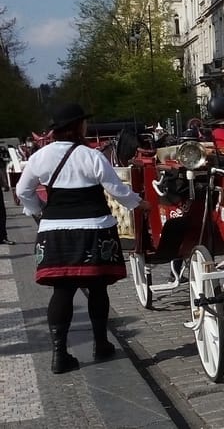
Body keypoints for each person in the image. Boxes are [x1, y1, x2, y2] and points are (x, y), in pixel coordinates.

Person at [15, 104, 151, 373]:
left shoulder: (39, 157)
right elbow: (117, 190)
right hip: (94, 229)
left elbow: (23, 190)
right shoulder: (91, 156)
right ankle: (101, 344)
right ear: (78, 127)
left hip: (55, 232)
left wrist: (41, 212)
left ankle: (59, 354)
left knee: (62, 291)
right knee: (98, 289)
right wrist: (140, 204)